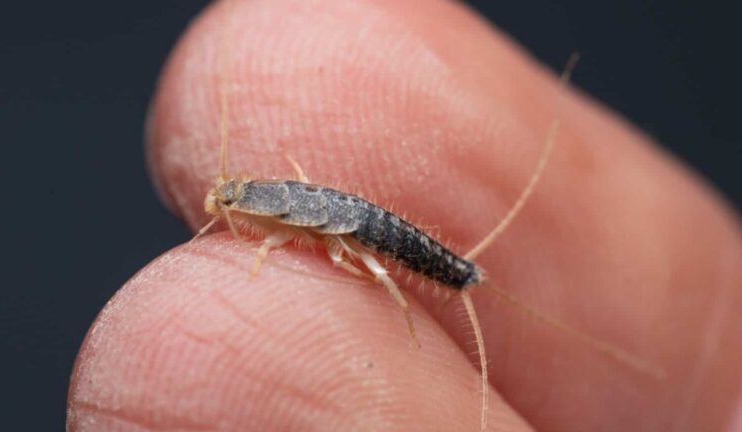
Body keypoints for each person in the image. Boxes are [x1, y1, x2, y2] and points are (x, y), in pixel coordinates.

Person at [67, 1, 742, 430]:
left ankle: (459, 276)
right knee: (371, 253)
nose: (232, 200)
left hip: (365, 229)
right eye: (237, 196)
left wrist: (261, 234)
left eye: (237, 196)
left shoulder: (279, 216)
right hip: (352, 220)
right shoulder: (275, 205)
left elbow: (291, 225)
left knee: (387, 264)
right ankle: (461, 276)